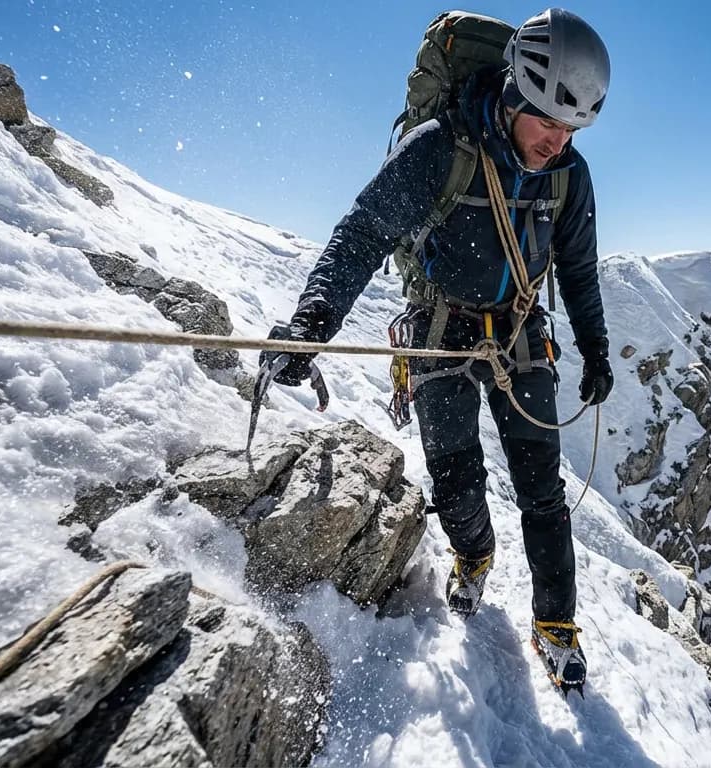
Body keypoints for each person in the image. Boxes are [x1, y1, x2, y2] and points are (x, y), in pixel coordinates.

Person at [264, 9, 612, 691]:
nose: (558, 141)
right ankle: (474, 555)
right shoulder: (439, 148)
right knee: (455, 475)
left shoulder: (569, 176)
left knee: (543, 490)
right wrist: (313, 321)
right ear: (513, 92)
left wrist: (595, 351)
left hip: (518, 331)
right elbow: (362, 234)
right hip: (438, 329)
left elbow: (578, 270)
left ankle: (556, 622)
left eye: (572, 128)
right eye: (548, 121)